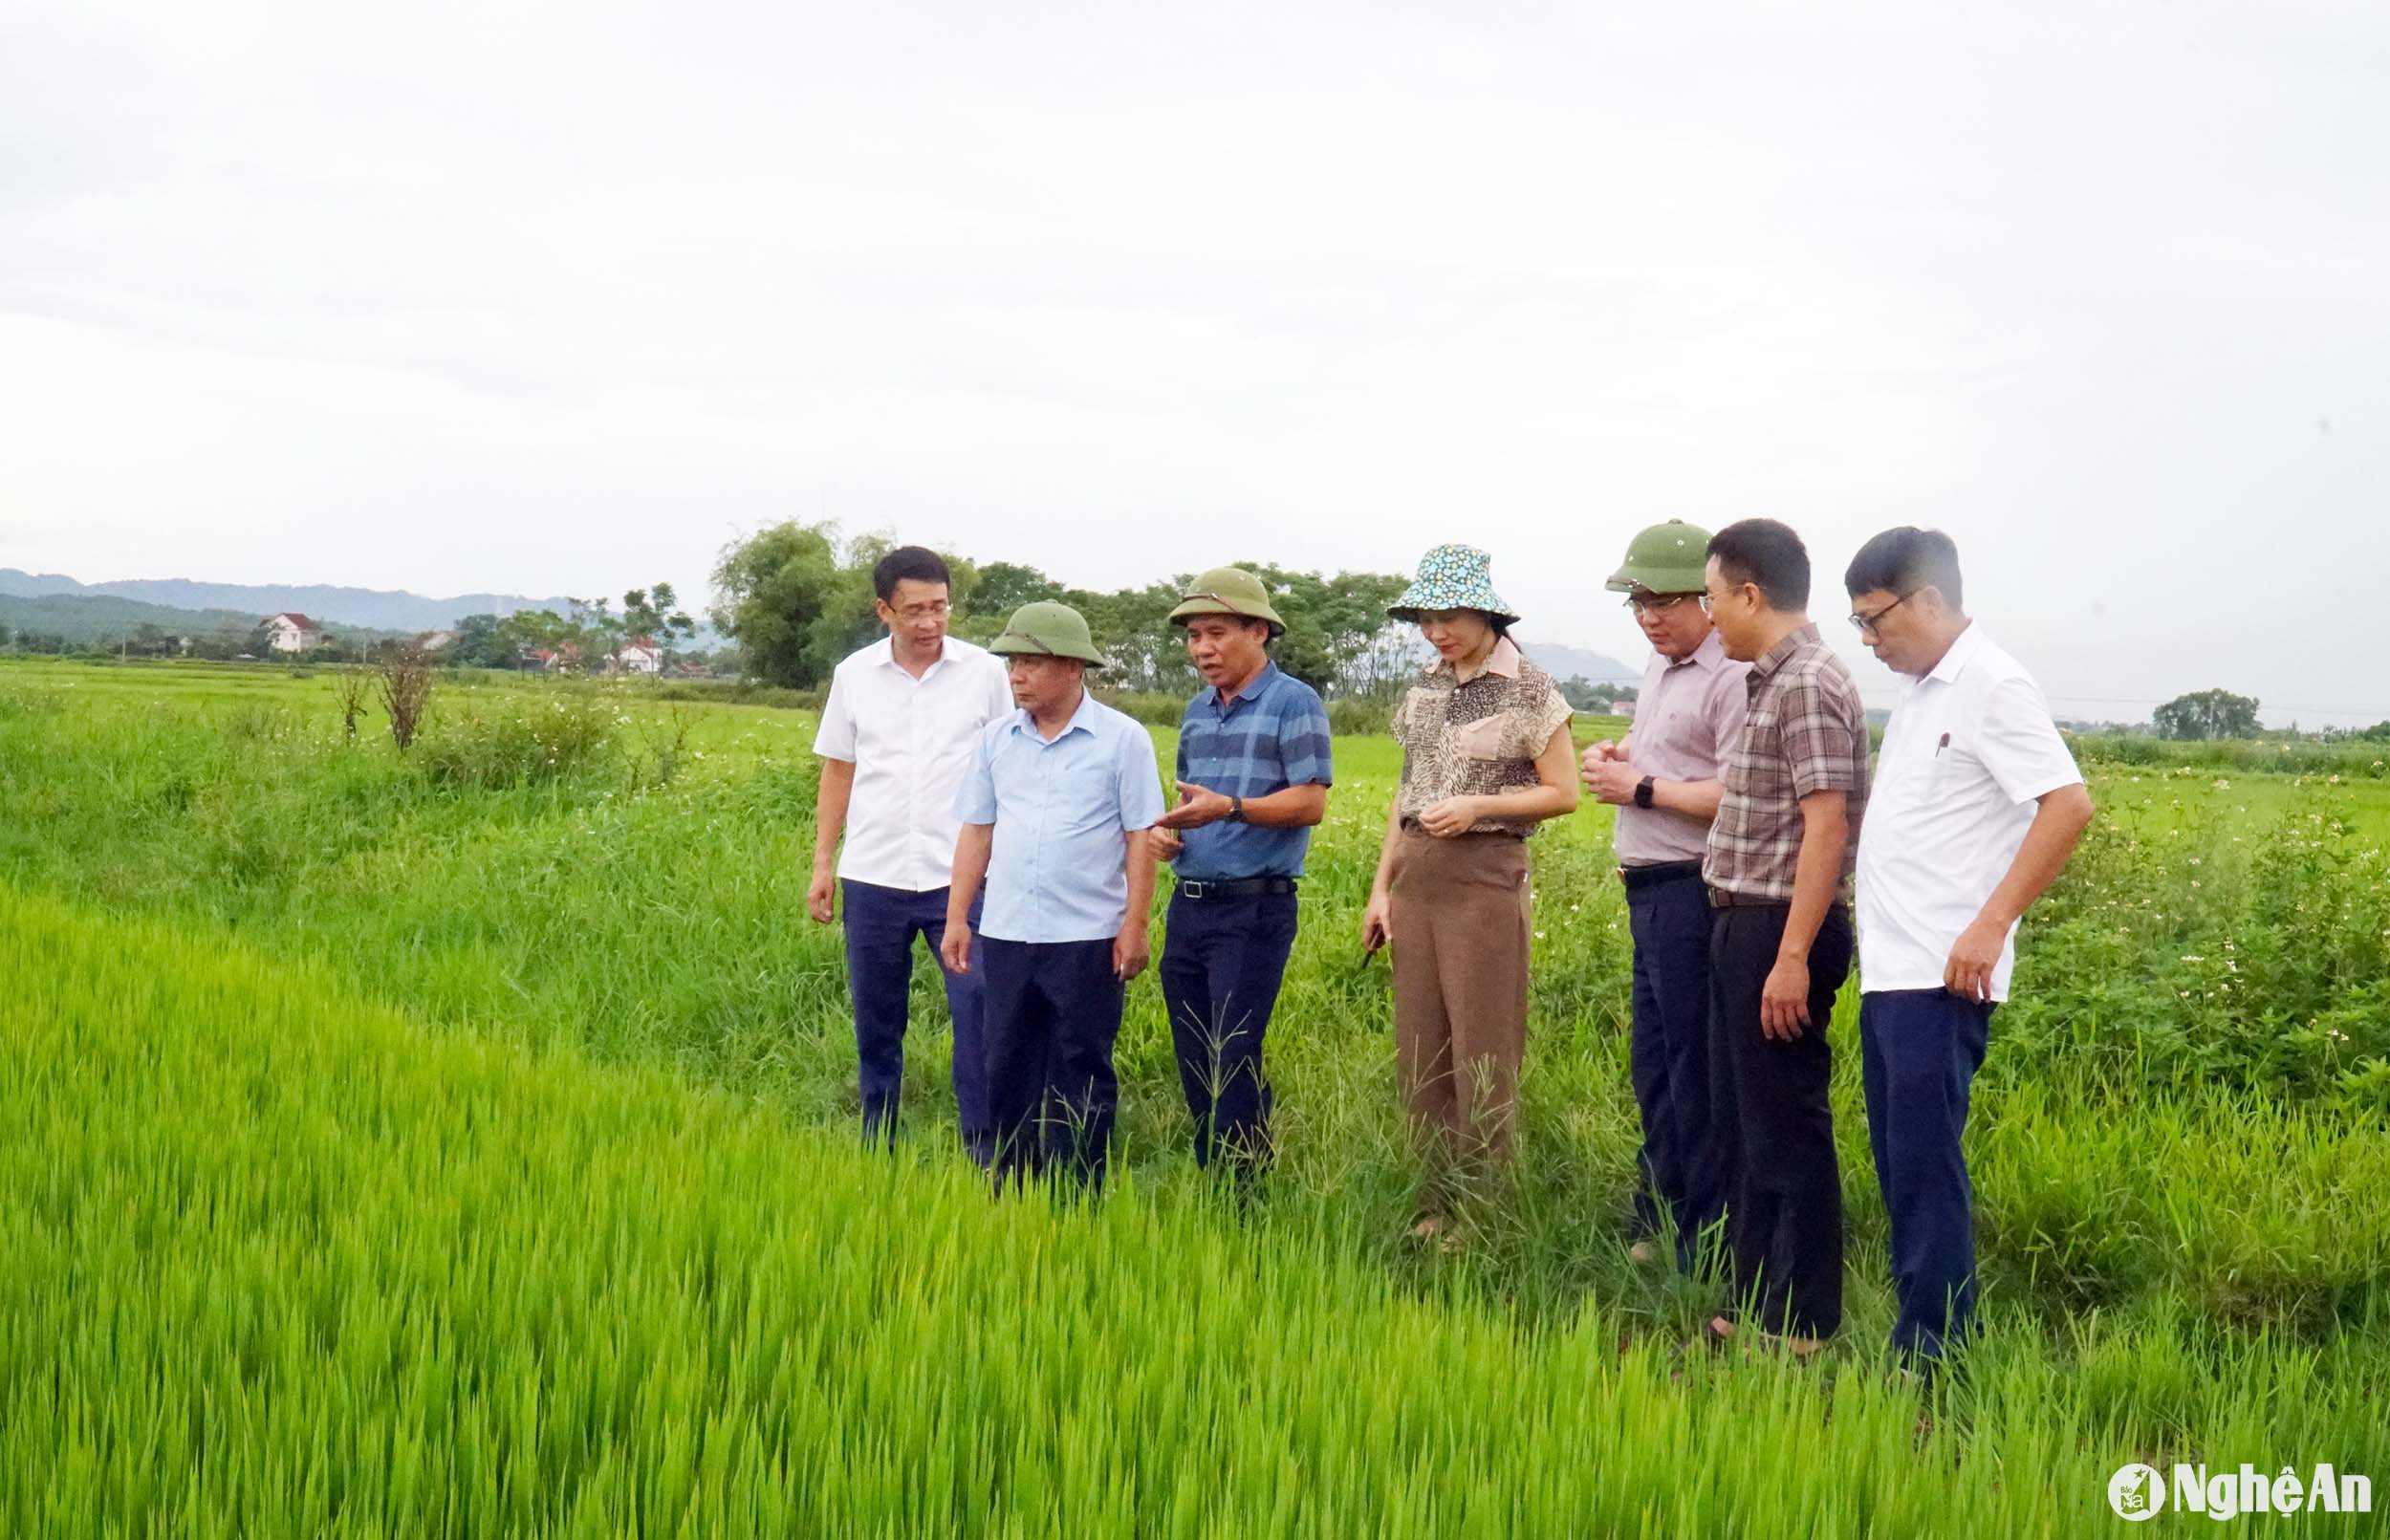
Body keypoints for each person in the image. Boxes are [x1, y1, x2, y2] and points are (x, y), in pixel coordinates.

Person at [1845, 527, 2093, 1366]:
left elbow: (2067, 804)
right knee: (1899, 1162)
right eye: (1859, 627)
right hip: (1893, 969)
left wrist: (1991, 924)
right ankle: (1922, 1330)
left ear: (1931, 601)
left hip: (1943, 973)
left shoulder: (1992, 683)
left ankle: (1937, 1353)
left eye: (1876, 620)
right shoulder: (1920, 692)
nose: (1870, 641)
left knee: (1923, 1166)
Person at [1360, 544, 1579, 1246]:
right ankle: (1433, 1198)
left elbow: (1564, 792)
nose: (1436, 631)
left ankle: (1483, 1207)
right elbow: (1406, 789)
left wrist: (1481, 803)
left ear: (1485, 611)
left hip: (1486, 873)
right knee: (1420, 1046)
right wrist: (1380, 890)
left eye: (1448, 615)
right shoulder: (1424, 685)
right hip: (1418, 875)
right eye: (1426, 618)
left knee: (1482, 1047)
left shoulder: (1532, 688)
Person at [1697, 518, 1870, 1358]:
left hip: (1778, 927)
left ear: (1750, 594)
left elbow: (1826, 824)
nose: (1708, 613)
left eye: (1712, 596)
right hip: (1749, 922)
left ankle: (1804, 1326)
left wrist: (1793, 954)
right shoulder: (1772, 679)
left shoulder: (1805, 683)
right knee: (1753, 1123)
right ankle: (1751, 1306)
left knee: (1788, 1123)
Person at [942, 600, 1164, 1191]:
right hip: (1009, 932)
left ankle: (1077, 1194)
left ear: (1072, 668)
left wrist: (1134, 925)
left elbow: (1140, 835)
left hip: (1087, 937)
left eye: (1030, 663)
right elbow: (977, 830)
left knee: (1081, 1066)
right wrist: (958, 917)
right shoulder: (997, 741)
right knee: (1006, 1064)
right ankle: (1011, 1189)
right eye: (1012, 663)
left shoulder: (1123, 740)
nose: (1015, 676)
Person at [1581, 519, 1749, 1272]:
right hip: (1646, 894)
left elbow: (1742, 794)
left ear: (1709, 599)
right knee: (1653, 1065)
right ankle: (1660, 1212)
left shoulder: (1732, 674)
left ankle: (1701, 1236)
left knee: (1693, 1069)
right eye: (1638, 600)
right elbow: (1676, 765)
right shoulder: (1659, 668)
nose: (1650, 614)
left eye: (1666, 599)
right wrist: (1621, 757)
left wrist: (1640, 786)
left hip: (1693, 892)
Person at [809, 545, 1013, 1160]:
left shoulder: (984, 673)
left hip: (963, 879)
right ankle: (880, 1141)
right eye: (915, 610)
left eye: (940, 608)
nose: (930, 623)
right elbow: (838, 769)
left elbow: (1011, 763)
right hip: (873, 875)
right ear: (883, 610)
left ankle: (985, 1151)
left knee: (976, 1015)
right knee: (877, 1019)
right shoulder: (854, 676)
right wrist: (823, 863)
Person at [1150, 567, 1334, 1189]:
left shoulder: (1294, 701)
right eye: (1194, 635)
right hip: (1191, 902)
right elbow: (1191, 804)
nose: (1202, 647)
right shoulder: (1197, 712)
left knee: (1234, 1045)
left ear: (1259, 631)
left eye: (1217, 632)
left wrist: (1229, 807)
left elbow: (1310, 802)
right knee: (1194, 1045)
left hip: (1255, 908)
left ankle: (1243, 1186)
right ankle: (1216, 1167)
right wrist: (1170, 835)